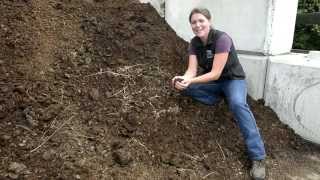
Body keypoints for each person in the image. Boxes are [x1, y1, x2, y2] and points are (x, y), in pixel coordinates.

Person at [171, 8, 266, 180]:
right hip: (214, 83)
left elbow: (215, 73)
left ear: (209, 20)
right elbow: (191, 71)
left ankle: (258, 157)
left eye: (201, 21)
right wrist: (182, 79)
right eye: (194, 22)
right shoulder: (194, 43)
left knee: (237, 104)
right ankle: (218, 97)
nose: (198, 25)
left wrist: (191, 81)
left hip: (232, 80)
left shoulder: (222, 39)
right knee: (186, 88)